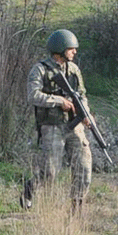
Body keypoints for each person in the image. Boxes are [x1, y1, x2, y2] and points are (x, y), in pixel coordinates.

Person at [21, 29, 93, 213]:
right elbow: (33, 95)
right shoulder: (40, 70)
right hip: (52, 126)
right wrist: (59, 101)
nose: (74, 52)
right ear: (59, 49)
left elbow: (82, 95)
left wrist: (85, 113)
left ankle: (77, 208)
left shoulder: (74, 70)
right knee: (49, 172)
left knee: (84, 166)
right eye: (71, 48)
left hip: (74, 125)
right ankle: (29, 191)